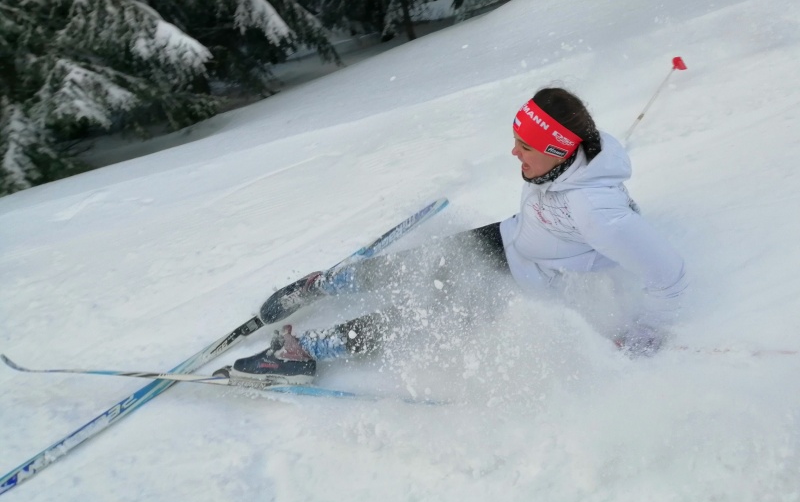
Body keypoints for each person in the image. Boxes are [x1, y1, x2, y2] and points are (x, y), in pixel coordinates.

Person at [224, 88, 688, 384]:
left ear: (557, 150)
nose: (514, 153)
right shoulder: (568, 156)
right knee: (413, 266)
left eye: (525, 146)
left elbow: (669, 276)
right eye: (516, 140)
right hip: (509, 239)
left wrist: (645, 334)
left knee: (417, 315)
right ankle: (330, 284)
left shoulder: (598, 212)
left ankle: (307, 353)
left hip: (526, 285)